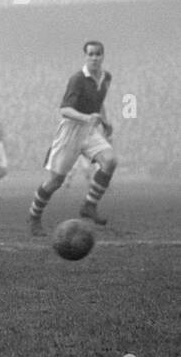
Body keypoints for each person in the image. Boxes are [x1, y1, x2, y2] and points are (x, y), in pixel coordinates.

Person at [28, 40, 118, 235]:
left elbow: (99, 102)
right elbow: (64, 110)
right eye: (91, 54)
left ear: (103, 56)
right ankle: (34, 216)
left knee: (110, 161)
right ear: (85, 56)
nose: (94, 57)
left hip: (90, 131)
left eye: (98, 54)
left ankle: (89, 205)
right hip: (70, 131)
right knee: (55, 182)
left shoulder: (106, 77)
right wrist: (87, 117)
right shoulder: (77, 79)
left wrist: (105, 120)